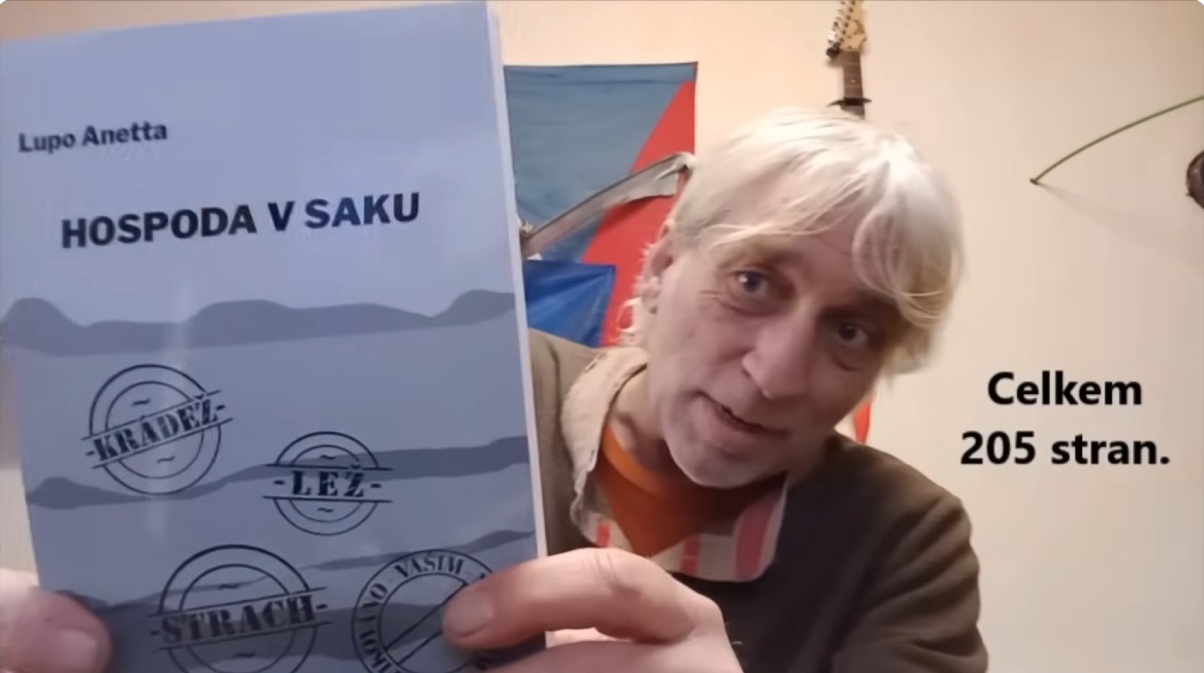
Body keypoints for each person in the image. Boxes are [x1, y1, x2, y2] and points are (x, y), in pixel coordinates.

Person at [0, 107, 986, 673]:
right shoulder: (462, 384)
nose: (774, 373)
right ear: (658, 267)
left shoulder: (904, 540)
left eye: (850, 329)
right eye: (754, 281)